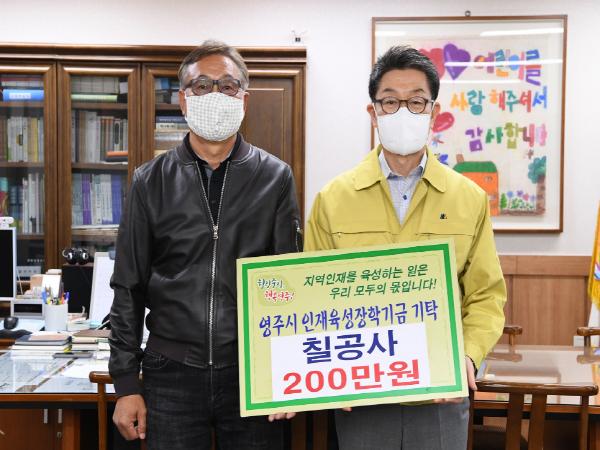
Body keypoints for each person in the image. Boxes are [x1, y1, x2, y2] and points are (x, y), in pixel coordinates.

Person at [304, 46, 506, 450]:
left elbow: (486, 295)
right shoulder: (333, 199)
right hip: (360, 393)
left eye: (415, 102)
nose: (402, 112)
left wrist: (467, 356)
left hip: (440, 395)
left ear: (433, 111)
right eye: (390, 101)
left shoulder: (467, 198)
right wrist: (328, 371)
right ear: (373, 112)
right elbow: (313, 297)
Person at [108, 40, 302, 450]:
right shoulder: (150, 180)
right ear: (183, 100)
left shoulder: (275, 177)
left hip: (251, 370)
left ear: (244, 100)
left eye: (228, 86)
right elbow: (128, 286)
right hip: (170, 371)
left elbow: (288, 282)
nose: (215, 95)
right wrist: (125, 383)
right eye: (202, 86)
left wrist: (287, 371)